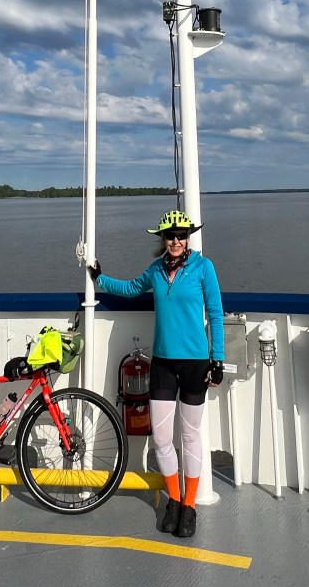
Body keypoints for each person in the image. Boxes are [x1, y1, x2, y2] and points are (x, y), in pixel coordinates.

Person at [88, 209, 224, 539]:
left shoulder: (203, 268)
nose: (176, 240)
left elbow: (216, 313)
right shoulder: (157, 270)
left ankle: (190, 505)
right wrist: (99, 279)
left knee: (189, 436)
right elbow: (132, 288)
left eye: (181, 235)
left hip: (195, 363)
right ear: (162, 239)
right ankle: (174, 500)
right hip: (162, 362)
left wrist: (217, 359)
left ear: (188, 237)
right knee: (162, 439)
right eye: (170, 235)